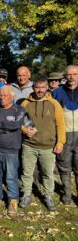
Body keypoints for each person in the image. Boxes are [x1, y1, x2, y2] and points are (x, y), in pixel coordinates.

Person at [19, 78, 66, 211]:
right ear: (33, 88)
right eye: (37, 87)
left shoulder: (54, 104)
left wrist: (60, 142)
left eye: (43, 87)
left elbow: (61, 125)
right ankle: (26, 194)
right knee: (26, 173)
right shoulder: (25, 104)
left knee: (47, 174)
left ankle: (48, 196)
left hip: (48, 147)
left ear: (47, 88)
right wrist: (24, 130)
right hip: (29, 145)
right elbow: (20, 122)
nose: (40, 90)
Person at [0, 86, 25, 215]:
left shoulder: (19, 109)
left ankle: (13, 201)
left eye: (5, 95)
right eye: (0, 95)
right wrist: (3, 130)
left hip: (11, 150)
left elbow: (16, 125)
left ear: (12, 96)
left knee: (11, 177)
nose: (1, 98)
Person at [52, 65, 78, 204]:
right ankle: (67, 194)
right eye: (69, 74)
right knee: (64, 166)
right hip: (64, 135)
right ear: (65, 76)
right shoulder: (58, 92)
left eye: (75, 74)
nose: (71, 77)